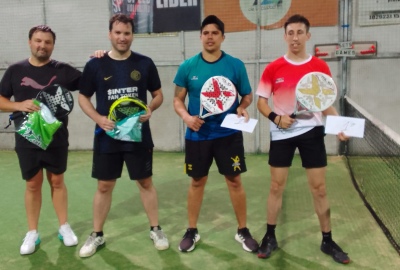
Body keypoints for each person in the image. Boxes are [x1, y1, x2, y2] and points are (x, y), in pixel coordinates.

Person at [256, 14, 350, 264]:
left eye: (300, 32)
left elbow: (325, 102)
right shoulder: (273, 68)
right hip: (282, 133)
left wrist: (338, 124)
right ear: (284, 36)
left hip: (312, 132)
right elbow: (261, 103)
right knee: (276, 187)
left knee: (319, 189)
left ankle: (327, 240)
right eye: (290, 33)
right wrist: (276, 118)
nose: (295, 37)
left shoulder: (320, 67)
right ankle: (270, 236)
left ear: (308, 36)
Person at [78, 14, 169, 258]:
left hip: (137, 136)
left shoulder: (145, 63)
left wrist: (151, 108)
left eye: (127, 33)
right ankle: (97, 234)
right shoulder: (95, 65)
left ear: (132, 36)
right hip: (106, 136)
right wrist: (98, 119)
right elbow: (83, 97)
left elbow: (158, 94)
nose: (122, 37)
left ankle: (156, 229)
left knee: (145, 182)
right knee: (104, 185)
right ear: (110, 34)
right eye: (117, 33)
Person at [173, 15, 258, 253]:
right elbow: (177, 100)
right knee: (197, 181)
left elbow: (247, 95)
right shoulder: (188, 66)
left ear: (222, 37)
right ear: (200, 36)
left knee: (234, 181)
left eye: (215, 33)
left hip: (228, 135)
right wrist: (187, 117)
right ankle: (191, 230)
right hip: (198, 136)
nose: (210, 37)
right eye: (206, 33)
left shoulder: (235, 65)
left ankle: (242, 230)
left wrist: (242, 107)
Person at [0, 25, 80, 255]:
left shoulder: (63, 70)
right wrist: (18, 105)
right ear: (30, 42)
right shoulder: (15, 70)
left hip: (57, 137)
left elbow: (90, 83)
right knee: (33, 184)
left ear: (53, 45)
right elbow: (1, 99)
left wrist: (98, 57)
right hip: (28, 137)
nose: (42, 45)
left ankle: (64, 227)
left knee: (57, 182)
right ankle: (32, 233)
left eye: (47, 42)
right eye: (38, 41)